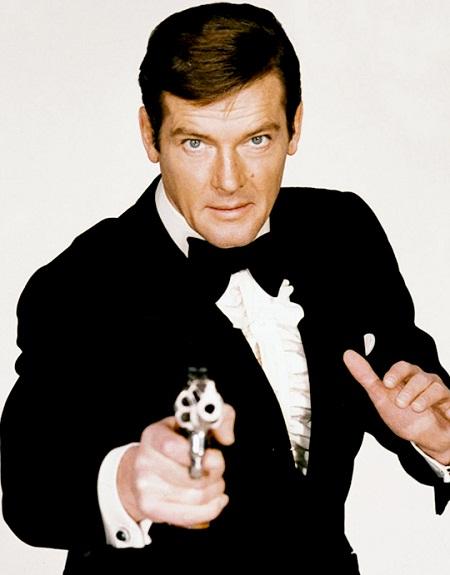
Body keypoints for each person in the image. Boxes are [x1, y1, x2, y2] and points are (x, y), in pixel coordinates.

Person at [1, 3, 450, 573]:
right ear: (150, 136)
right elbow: (30, 489)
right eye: (196, 143)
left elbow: (411, 379)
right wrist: (128, 483)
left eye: (256, 139)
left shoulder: (344, 233)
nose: (230, 181)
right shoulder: (78, 285)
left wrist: (441, 440)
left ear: (295, 127)